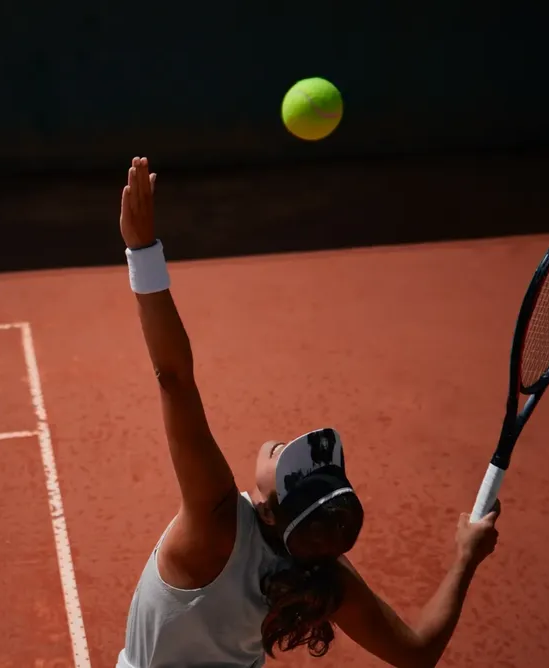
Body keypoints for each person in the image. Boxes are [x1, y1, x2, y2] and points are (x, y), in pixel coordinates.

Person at [115, 156, 501, 668]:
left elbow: (175, 378)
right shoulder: (322, 574)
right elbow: (417, 653)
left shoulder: (217, 524)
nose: (284, 446)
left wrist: (143, 250)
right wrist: (465, 558)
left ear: (272, 509)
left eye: (289, 466)